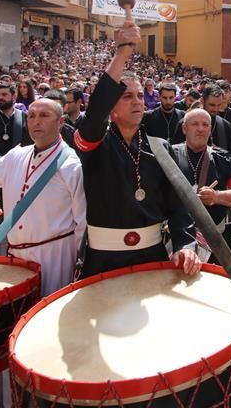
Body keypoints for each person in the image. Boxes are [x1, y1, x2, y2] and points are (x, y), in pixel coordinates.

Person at [72, 20, 199, 278]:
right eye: (127, 96)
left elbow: (178, 205)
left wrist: (185, 244)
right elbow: (95, 115)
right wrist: (121, 55)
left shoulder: (160, 148)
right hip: (103, 261)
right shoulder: (95, 142)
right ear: (112, 106)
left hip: (152, 255)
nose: (137, 102)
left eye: (140, 96)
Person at [0, 99, 85, 296]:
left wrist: (81, 263)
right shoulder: (15, 155)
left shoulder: (71, 165)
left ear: (60, 122)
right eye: (31, 116)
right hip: (15, 255)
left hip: (56, 256)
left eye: (44, 116)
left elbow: (82, 220)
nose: (36, 122)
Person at [173, 108, 231, 261]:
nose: (200, 129)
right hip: (179, 240)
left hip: (215, 240)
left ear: (210, 129)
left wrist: (216, 196)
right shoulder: (170, 156)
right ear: (184, 128)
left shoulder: (223, 159)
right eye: (195, 124)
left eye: (205, 125)